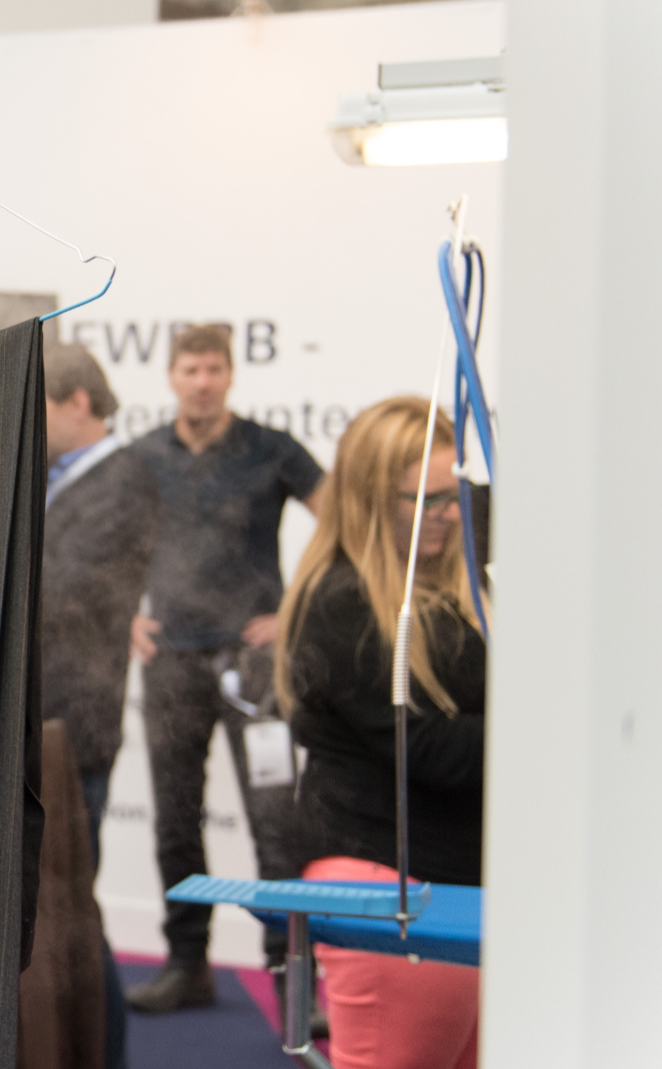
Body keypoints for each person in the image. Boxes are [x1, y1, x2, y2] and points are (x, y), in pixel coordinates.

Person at [276, 396, 483, 1069]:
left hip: (450, 884)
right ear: (368, 497)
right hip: (389, 884)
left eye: (455, 496)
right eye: (425, 498)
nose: (451, 515)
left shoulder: (443, 584)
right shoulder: (345, 602)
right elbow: (429, 750)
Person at [125, 323, 324, 1013]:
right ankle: (187, 963)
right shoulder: (143, 455)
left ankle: (289, 973)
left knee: (276, 822)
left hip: (255, 664)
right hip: (172, 661)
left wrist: (294, 609)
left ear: (230, 374)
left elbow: (342, 523)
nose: (202, 380)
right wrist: (125, 613)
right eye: (191, 368)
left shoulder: (271, 449)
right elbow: (98, 539)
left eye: (214, 367)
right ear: (172, 376)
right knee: (175, 820)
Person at [38, 343, 158, 1069]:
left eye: (39, 404)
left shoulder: (125, 481)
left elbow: (61, 596)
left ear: (78, 401)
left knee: (72, 911)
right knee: (58, 911)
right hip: (45, 720)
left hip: (73, 727)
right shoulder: (67, 480)